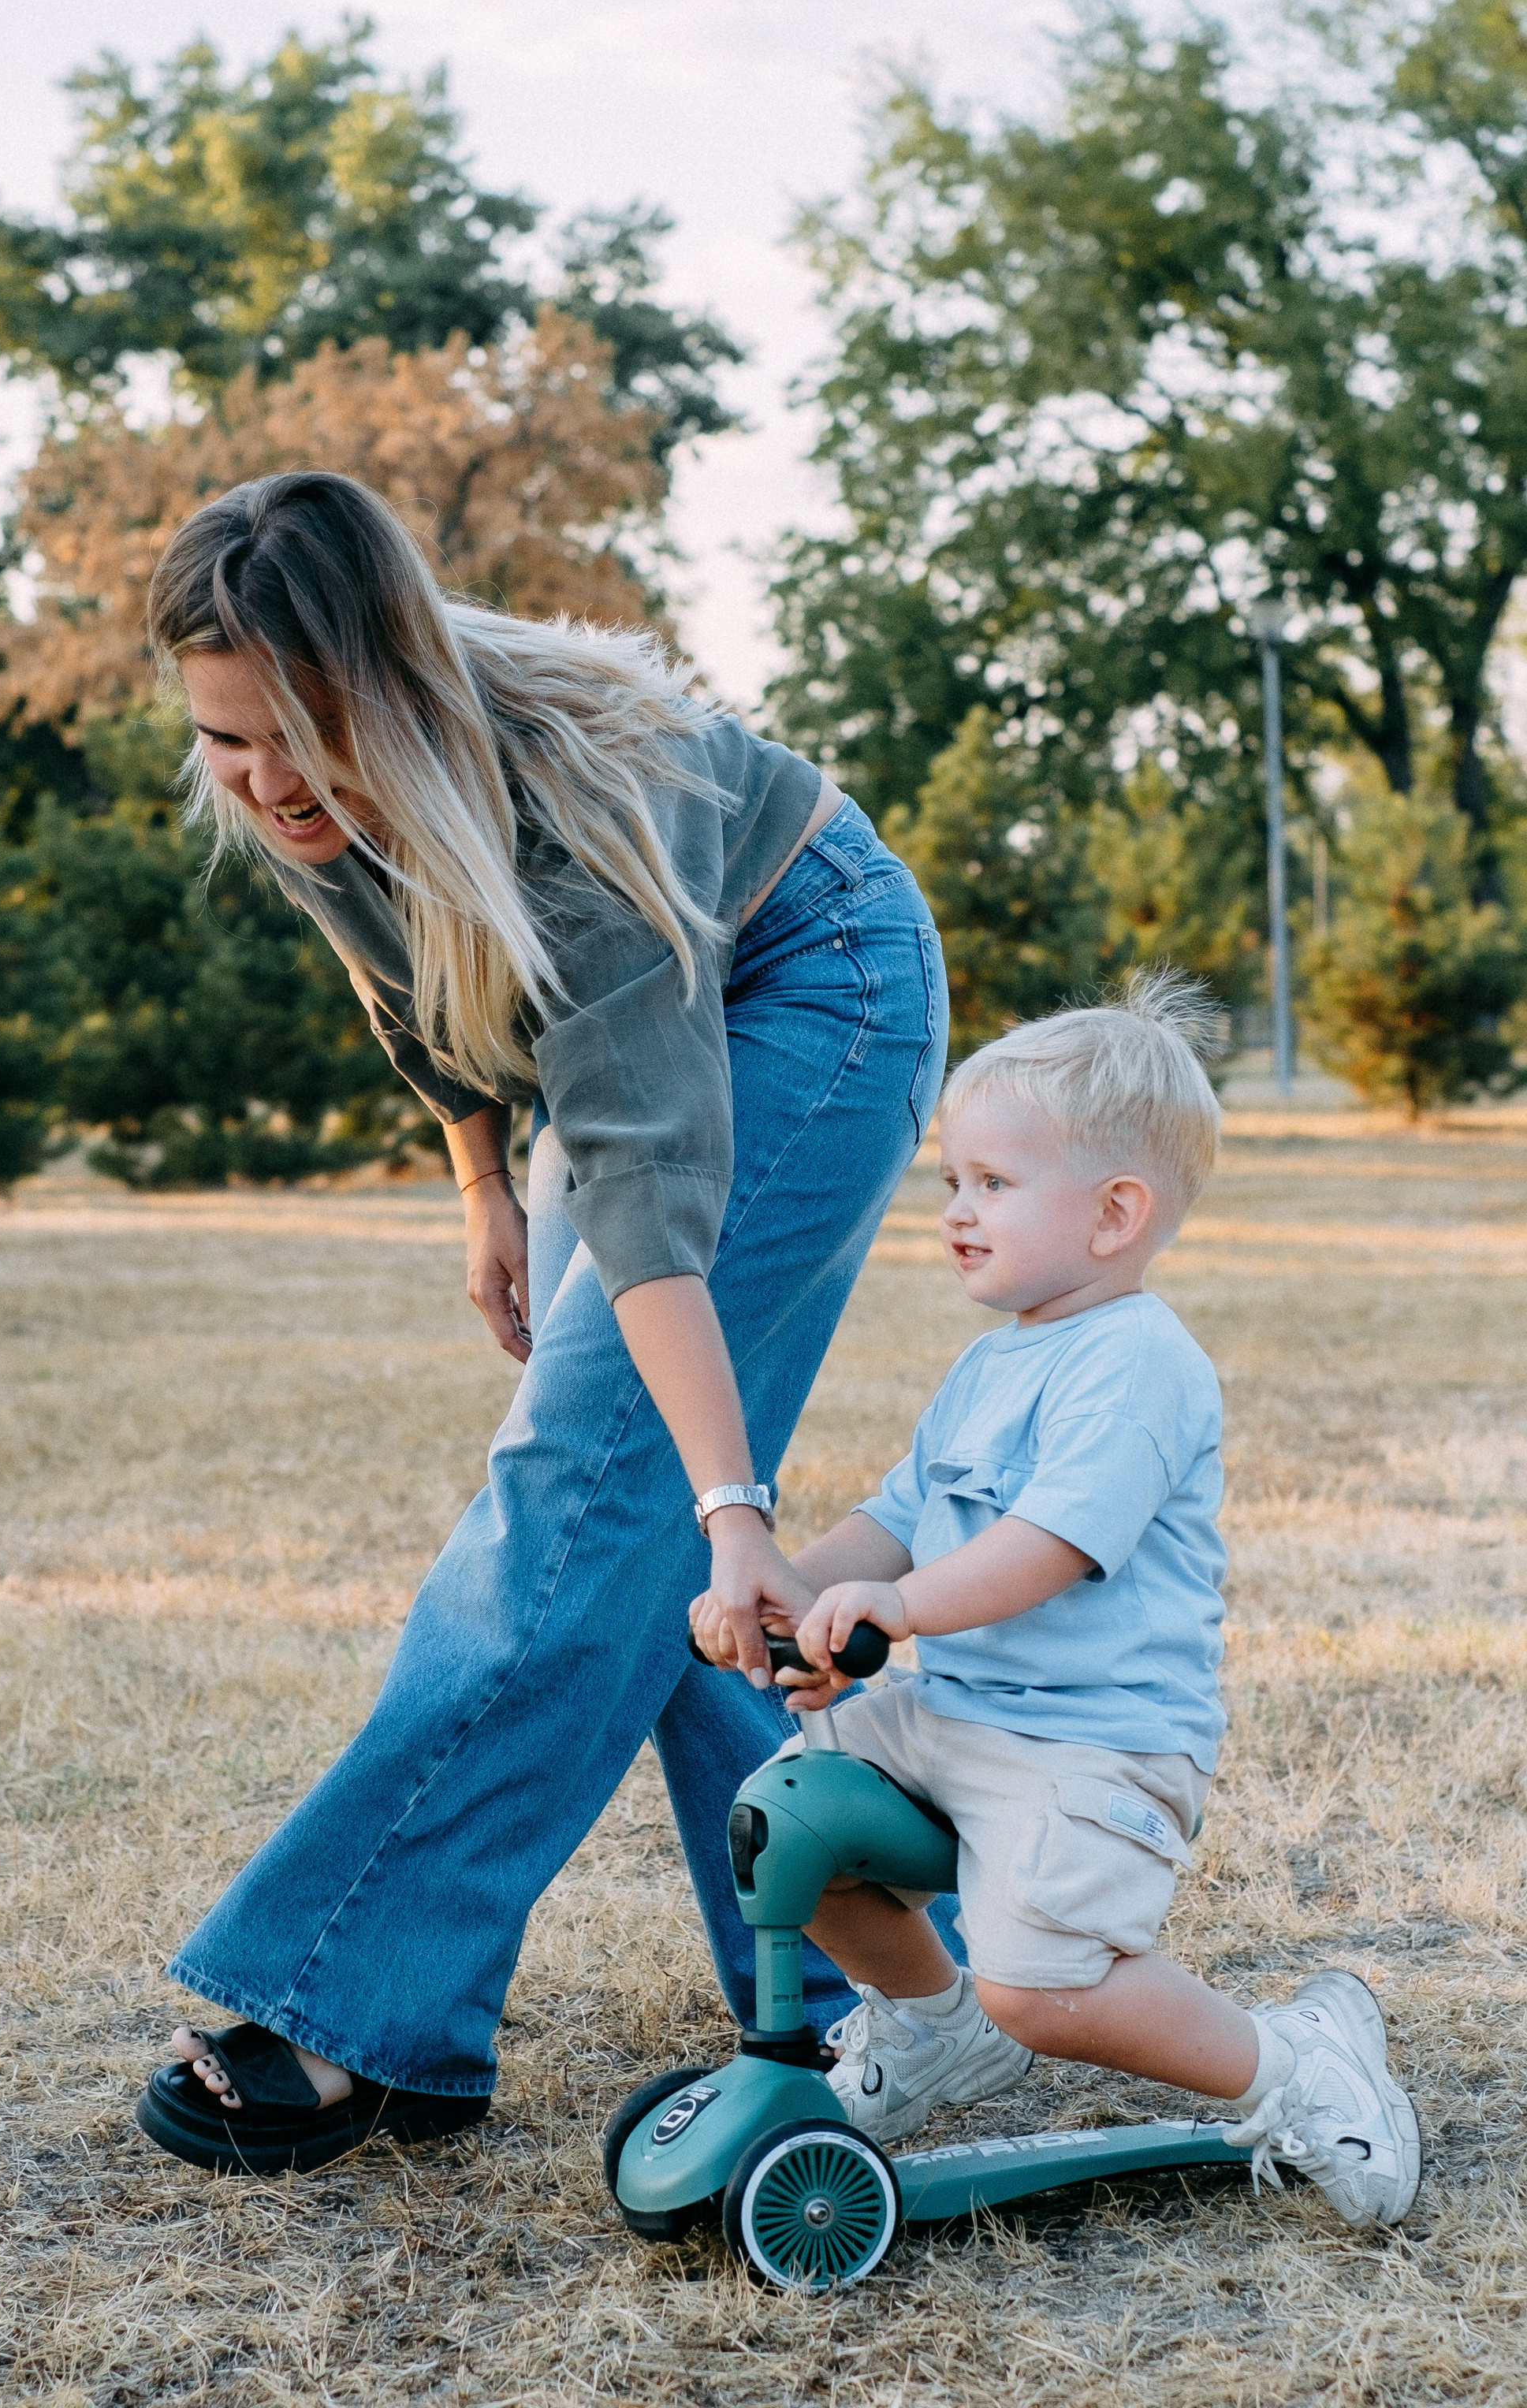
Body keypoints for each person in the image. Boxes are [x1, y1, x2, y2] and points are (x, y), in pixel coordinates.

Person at [130, 470, 958, 2176]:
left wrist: (731, 1511)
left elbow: (653, 1195)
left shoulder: (575, 804)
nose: (269, 782)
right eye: (225, 740)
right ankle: (866, 1980)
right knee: (619, 1542)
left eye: (302, 735)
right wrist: (478, 1182)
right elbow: (402, 971)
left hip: (804, 974)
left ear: (395, 690)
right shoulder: (296, 785)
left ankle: (342, 2003)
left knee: (587, 1493)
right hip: (624, 1022)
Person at [692, 973, 1422, 2227]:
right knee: (782, 1821)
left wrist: (898, 1608)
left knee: (1043, 1984)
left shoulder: (1140, 1363)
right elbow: (902, 1514)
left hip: (1094, 1741)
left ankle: (1294, 2062)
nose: (957, 1213)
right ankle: (934, 2031)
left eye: (993, 1183)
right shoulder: (993, 1361)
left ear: (1114, 1213)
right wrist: (797, 1587)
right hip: (962, 1723)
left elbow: (1045, 1551)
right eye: (952, 1184)